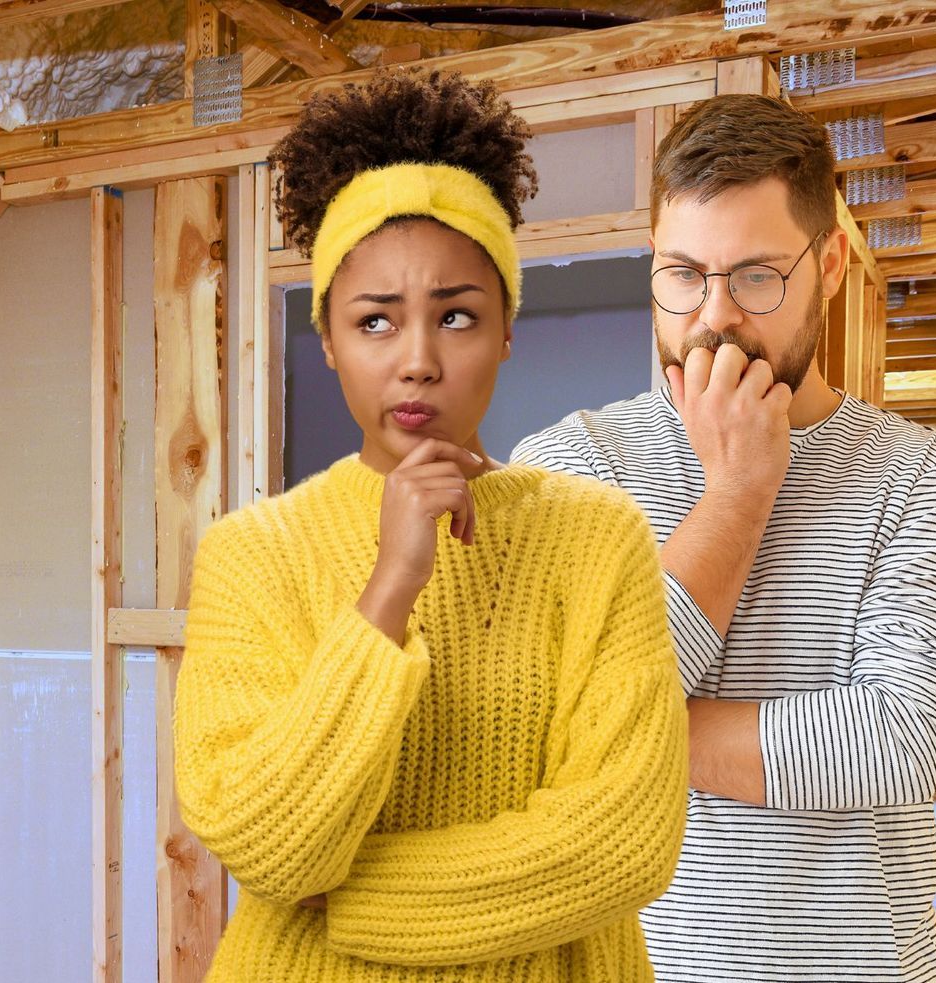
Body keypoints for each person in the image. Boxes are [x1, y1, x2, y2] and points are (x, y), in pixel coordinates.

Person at [171, 70, 690, 983]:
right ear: (329, 338)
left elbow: (623, 842)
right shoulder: (251, 554)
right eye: (375, 321)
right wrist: (388, 588)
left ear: (505, 330)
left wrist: (355, 901)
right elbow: (264, 842)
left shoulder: (599, 539)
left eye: (456, 316)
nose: (417, 361)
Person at [511, 93, 936, 982]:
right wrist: (738, 492)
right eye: (683, 273)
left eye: (757, 276)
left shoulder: (925, 475)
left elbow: (904, 737)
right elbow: (534, 725)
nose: (713, 316)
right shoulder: (569, 463)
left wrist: (620, 725)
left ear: (832, 265)